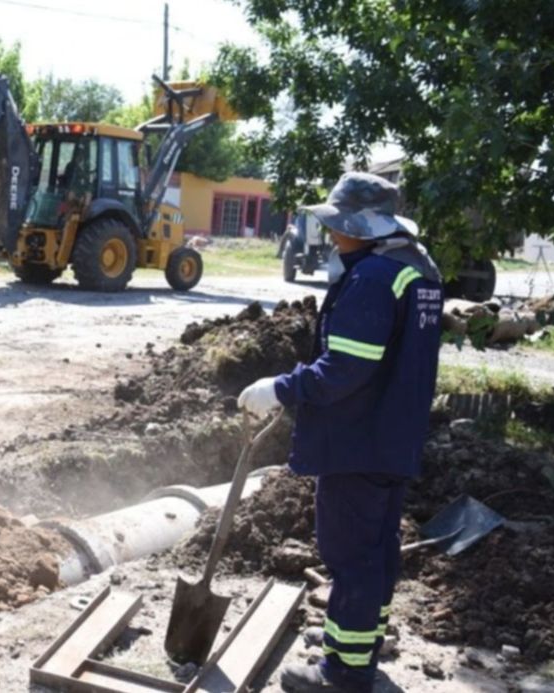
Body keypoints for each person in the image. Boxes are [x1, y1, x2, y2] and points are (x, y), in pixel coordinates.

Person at [237, 172, 445, 693]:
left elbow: (345, 370)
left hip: (359, 441)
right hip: (392, 437)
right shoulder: (417, 268)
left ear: (361, 226)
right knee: (375, 554)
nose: (332, 236)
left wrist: (280, 389)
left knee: (352, 555)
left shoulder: (374, 278)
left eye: (338, 226)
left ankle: (343, 675)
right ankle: (355, 651)